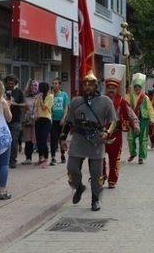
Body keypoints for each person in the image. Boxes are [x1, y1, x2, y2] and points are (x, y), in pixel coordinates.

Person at [60, 73, 116, 211]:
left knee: (96, 173)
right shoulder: (75, 101)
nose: (87, 87)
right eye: (85, 84)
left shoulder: (105, 101)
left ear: (96, 86)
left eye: (90, 84)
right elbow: (68, 121)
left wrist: (107, 133)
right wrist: (62, 138)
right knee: (72, 169)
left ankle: (95, 199)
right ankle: (79, 187)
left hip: (97, 139)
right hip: (79, 138)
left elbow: (114, 121)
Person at [103, 64, 138, 188]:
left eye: (114, 88)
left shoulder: (122, 101)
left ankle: (112, 180)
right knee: (100, 156)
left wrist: (135, 125)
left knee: (114, 158)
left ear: (117, 89)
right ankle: (101, 177)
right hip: (101, 132)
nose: (111, 90)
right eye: (109, 87)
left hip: (116, 132)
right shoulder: (101, 100)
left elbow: (130, 114)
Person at [127, 73, 154, 164]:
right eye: (135, 87)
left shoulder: (145, 97)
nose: (137, 88)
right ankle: (133, 153)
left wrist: (151, 119)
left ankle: (141, 157)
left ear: (141, 87)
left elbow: (150, 109)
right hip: (132, 121)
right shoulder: (129, 96)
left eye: (138, 87)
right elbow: (125, 106)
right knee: (131, 138)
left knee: (143, 140)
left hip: (143, 120)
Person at [4, 75, 25, 169]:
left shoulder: (18, 91)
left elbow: (25, 104)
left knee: (13, 141)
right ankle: (5, 160)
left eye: (12, 83)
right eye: (8, 83)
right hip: (4, 120)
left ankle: (12, 161)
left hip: (15, 120)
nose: (10, 85)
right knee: (5, 141)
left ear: (15, 83)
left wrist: (15, 104)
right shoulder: (3, 91)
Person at [49, 78, 69, 165]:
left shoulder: (64, 95)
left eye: (56, 83)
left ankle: (62, 154)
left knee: (62, 139)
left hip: (62, 121)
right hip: (53, 121)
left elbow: (66, 107)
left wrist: (64, 118)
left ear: (59, 85)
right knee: (53, 138)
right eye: (53, 83)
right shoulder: (50, 95)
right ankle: (53, 157)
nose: (54, 85)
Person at [34, 82, 53, 168]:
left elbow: (44, 107)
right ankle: (40, 158)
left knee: (43, 139)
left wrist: (40, 98)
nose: (39, 90)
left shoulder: (50, 97)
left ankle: (46, 159)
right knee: (38, 140)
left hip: (46, 120)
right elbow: (37, 107)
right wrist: (35, 114)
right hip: (39, 120)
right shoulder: (38, 97)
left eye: (40, 88)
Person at [21, 80, 39, 165]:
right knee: (28, 140)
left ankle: (41, 158)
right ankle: (28, 158)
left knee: (38, 139)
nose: (33, 87)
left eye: (35, 85)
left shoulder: (40, 96)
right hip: (28, 121)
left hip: (38, 121)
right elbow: (23, 109)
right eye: (32, 85)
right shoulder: (26, 97)